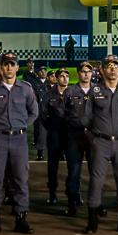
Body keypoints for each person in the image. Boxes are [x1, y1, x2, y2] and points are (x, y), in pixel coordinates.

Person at [0, 52, 38, 234]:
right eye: (6, 64)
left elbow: (34, 112)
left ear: (17, 67)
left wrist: (20, 125)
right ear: (0, 67)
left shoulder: (26, 88)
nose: (9, 68)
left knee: (21, 178)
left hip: (19, 139)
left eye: (12, 64)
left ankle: (21, 218)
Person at [81, 55, 118, 234]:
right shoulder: (95, 91)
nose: (113, 69)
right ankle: (92, 221)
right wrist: (98, 131)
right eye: (109, 66)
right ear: (103, 70)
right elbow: (85, 118)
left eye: (115, 66)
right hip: (101, 142)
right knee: (97, 180)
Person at [63, 61, 100, 217]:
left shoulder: (98, 91)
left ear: (92, 74)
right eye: (83, 71)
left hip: (94, 137)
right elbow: (63, 113)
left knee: (96, 172)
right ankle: (72, 203)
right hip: (74, 136)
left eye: (88, 71)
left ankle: (97, 204)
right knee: (73, 172)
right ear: (78, 73)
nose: (86, 74)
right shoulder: (70, 91)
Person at [41, 67, 69, 206]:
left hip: (70, 135)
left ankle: (74, 195)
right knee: (53, 166)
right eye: (62, 76)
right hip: (55, 134)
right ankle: (52, 194)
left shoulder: (73, 93)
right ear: (57, 78)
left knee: (73, 166)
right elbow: (43, 115)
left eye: (66, 76)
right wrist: (52, 127)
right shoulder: (49, 94)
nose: (65, 78)